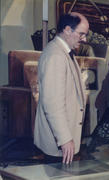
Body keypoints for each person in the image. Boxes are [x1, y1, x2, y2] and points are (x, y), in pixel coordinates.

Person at [34, 12, 89, 164]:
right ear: (67, 30)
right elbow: (52, 104)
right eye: (81, 34)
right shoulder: (56, 56)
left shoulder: (64, 53)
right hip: (58, 144)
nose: (84, 39)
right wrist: (64, 139)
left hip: (63, 141)